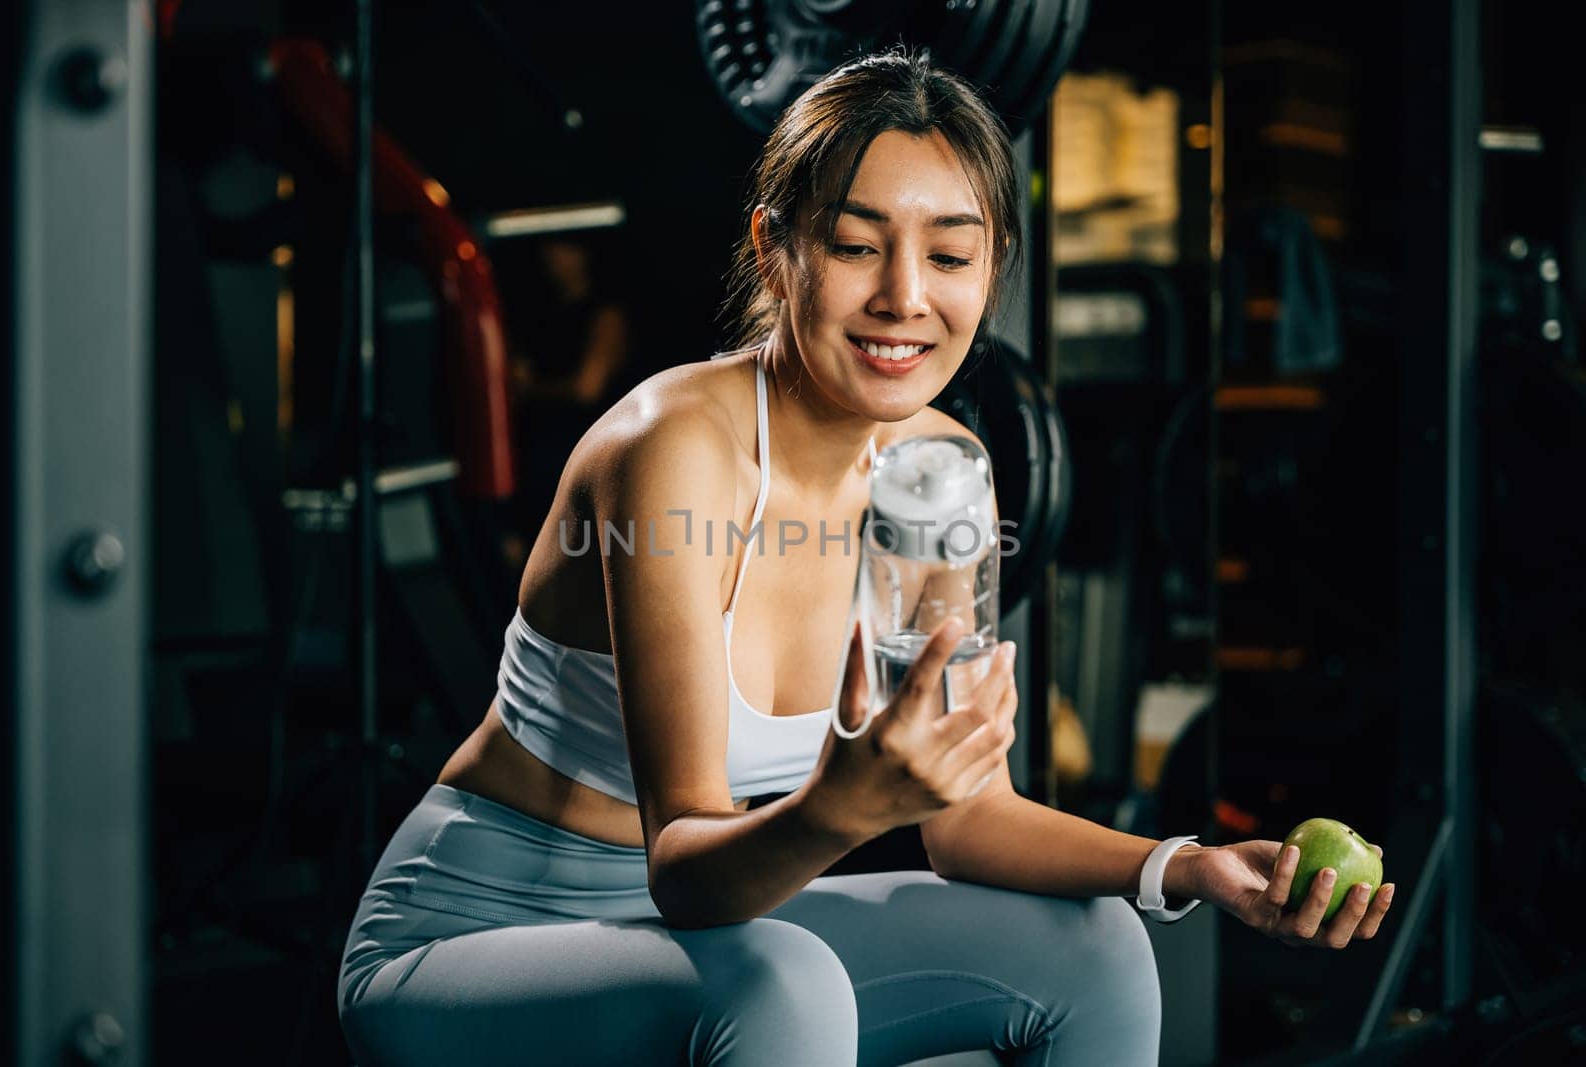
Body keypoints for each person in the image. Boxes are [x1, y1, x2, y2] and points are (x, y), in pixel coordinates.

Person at [337, 48, 1395, 1066]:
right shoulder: (674, 450)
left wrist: (1189, 866)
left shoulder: (943, 471)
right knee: (780, 979)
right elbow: (684, 875)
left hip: (716, 939)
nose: (903, 296)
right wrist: (839, 808)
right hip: (470, 943)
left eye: (948, 253)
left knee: (1097, 942)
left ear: (991, 270)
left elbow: (966, 820)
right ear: (773, 248)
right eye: (854, 245)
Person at [502, 235, 632, 576]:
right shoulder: (542, 317)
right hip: (541, 457)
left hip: (584, 453)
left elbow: (587, 387)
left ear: (582, 254)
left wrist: (530, 388)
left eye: (562, 246)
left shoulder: (605, 314)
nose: (551, 256)